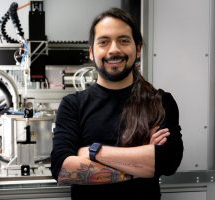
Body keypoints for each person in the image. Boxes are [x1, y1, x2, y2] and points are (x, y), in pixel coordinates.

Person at [50, 7, 183, 200]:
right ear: (91, 53)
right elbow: (62, 169)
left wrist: (93, 152)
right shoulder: (73, 105)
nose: (114, 49)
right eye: (104, 42)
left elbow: (168, 162)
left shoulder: (160, 102)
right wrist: (139, 167)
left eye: (123, 40)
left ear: (137, 50)